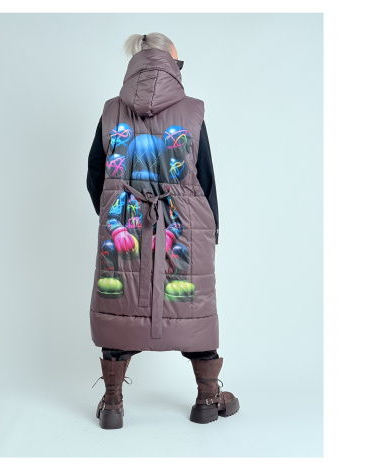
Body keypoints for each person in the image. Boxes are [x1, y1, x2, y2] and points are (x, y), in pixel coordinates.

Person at [86, 32, 240, 429]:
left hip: (123, 223)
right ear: (172, 63)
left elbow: (95, 175)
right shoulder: (192, 111)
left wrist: (114, 214)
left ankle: (113, 403)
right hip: (184, 227)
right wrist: (211, 230)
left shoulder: (111, 110)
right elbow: (205, 178)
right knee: (193, 311)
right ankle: (207, 398)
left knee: (119, 306)